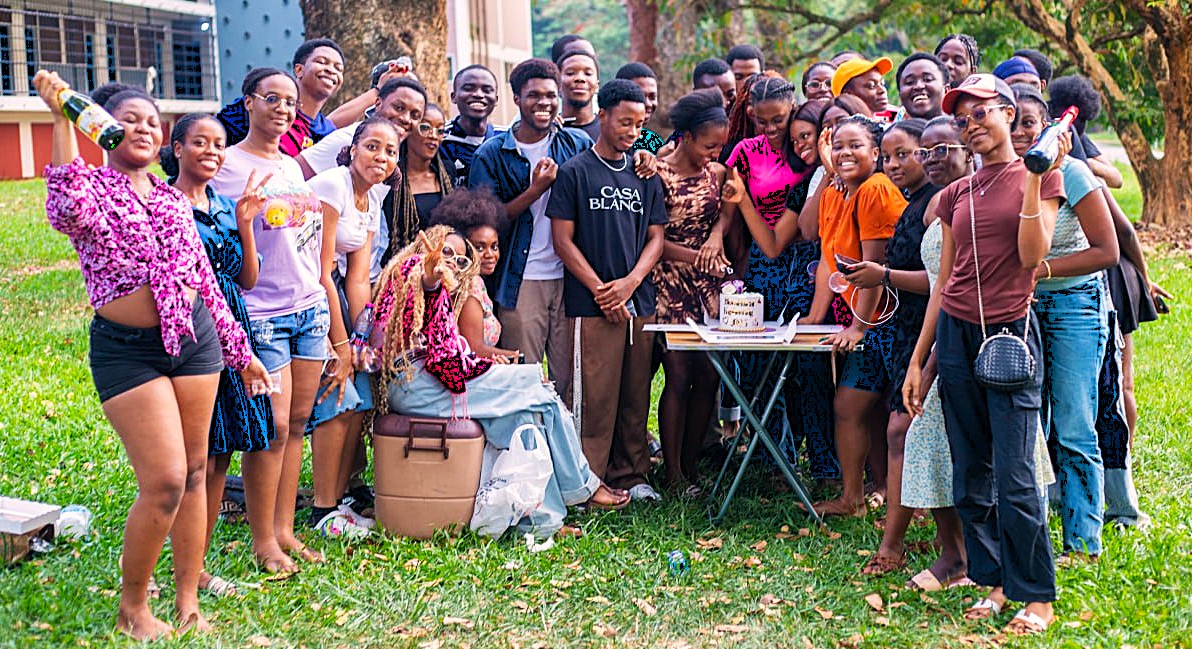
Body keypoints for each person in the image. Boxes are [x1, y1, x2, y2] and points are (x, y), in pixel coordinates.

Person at [37, 72, 271, 639]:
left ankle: (188, 595)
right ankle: (133, 605)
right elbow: (67, 208)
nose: (143, 128)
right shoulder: (93, 190)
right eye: (129, 120)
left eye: (151, 121)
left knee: (195, 471)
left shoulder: (169, 197)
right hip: (129, 352)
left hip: (196, 344)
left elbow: (205, 282)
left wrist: (241, 353)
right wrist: (62, 115)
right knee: (165, 479)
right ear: (105, 129)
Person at [904, 74, 1066, 636]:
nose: (972, 125)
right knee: (971, 468)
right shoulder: (955, 194)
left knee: (1017, 473)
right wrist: (920, 360)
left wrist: (1033, 178)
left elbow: (1030, 253)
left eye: (981, 114)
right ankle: (995, 581)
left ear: (1008, 112)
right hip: (956, 335)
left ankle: (1037, 595)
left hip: (1010, 335)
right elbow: (945, 279)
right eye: (964, 118)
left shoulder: (1042, 176)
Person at [376, 226, 631, 539]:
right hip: (415, 384)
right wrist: (430, 275)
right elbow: (424, 295)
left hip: (426, 382)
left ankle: (542, 522)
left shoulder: (442, 290)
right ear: (426, 248)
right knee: (539, 388)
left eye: (458, 258)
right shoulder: (411, 274)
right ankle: (583, 486)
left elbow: (450, 354)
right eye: (446, 252)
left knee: (524, 418)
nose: (452, 262)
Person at [210, 67, 328, 575]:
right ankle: (263, 541)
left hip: (309, 307)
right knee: (271, 428)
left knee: (297, 425)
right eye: (271, 99)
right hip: (261, 313)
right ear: (249, 102)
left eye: (289, 102)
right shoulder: (226, 165)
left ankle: (284, 531)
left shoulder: (292, 168)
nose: (282, 109)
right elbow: (212, 239)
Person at [160, 113, 276, 600]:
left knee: (222, 450)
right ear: (178, 147)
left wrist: (247, 224)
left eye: (219, 144)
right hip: (188, 329)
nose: (211, 151)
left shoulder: (228, 205)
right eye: (200, 142)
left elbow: (246, 280)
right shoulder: (160, 202)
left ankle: (199, 564)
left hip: (234, 327)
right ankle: (181, 566)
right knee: (195, 457)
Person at [1012, 84, 1120, 561]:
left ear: (1049, 125)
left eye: (1029, 123)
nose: (1019, 133)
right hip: (1021, 309)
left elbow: (1108, 251)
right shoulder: (1000, 176)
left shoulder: (1072, 172)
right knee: (1029, 427)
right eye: (1011, 122)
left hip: (1074, 304)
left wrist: (1043, 270)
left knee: (1074, 423)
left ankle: (1082, 544)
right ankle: (1031, 540)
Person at [549, 79, 667, 500]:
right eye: (624, 122)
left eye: (638, 125)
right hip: (590, 303)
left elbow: (656, 237)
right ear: (602, 116)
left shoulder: (645, 173)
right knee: (593, 398)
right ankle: (588, 479)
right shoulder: (575, 171)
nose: (632, 132)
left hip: (639, 301)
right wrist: (604, 291)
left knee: (635, 395)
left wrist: (631, 284)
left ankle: (632, 475)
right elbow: (563, 240)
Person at [727, 98, 839, 480]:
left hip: (816, 282)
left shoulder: (834, 177)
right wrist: (742, 201)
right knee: (761, 368)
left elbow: (810, 235)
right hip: (773, 276)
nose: (799, 146)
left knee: (813, 374)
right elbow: (774, 245)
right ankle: (774, 459)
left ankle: (825, 464)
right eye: (795, 141)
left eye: (805, 136)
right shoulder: (802, 182)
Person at [469, 58, 593, 405]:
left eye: (551, 95)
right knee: (523, 376)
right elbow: (487, 223)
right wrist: (534, 190)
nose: (544, 102)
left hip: (570, 276)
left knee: (570, 378)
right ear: (516, 98)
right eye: (533, 95)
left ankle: (565, 454)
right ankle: (526, 454)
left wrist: (646, 152)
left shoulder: (576, 143)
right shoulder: (491, 154)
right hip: (521, 280)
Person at [805, 116, 907, 516]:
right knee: (855, 407)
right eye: (838, 146)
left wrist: (859, 326)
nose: (845, 153)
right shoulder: (836, 190)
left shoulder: (876, 189)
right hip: (863, 320)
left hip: (887, 322)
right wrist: (813, 320)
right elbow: (824, 260)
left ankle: (885, 501)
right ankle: (858, 496)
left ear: (875, 153)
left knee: (879, 411)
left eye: (855, 146)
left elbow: (873, 269)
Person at [305, 118, 401, 538]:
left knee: (359, 398)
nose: (381, 158)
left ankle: (341, 497)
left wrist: (364, 341)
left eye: (391, 151)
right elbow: (323, 270)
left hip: (339, 297)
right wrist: (340, 345)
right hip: (304, 294)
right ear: (353, 149)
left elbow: (359, 277)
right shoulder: (331, 186)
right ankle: (322, 508)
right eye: (373, 147)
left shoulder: (372, 196)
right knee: (337, 397)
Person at [652, 89, 734, 493]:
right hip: (668, 281)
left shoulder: (716, 173)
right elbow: (648, 241)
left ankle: (692, 467)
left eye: (720, 145)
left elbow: (727, 208)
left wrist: (716, 237)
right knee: (679, 375)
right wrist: (694, 255)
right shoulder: (655, 174)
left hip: (708, 283)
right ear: (684, 137)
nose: (715, 153)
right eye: (708, 146)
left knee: (708, 376)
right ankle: (672, 474)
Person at [428, 188, 520, 360]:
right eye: (479, 247)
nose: (490, 254)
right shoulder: (471, 285)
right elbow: (474, 348)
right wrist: (516, 358)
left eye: (494, 246)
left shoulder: (476, 281)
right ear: (465, 248)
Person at [382, 103, 455, 260]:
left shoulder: (447, 173)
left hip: (442, 270)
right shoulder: (389, 176)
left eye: (440, 130)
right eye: (426, 128)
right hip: (400, 271)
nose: (434, 136)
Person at [440, 65, 503, 185]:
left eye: (487, 90)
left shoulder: (506, 139)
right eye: (469, 88)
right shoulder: (439, 140)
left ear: (496, 99)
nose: (478, 94)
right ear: (454, 97)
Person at [616, 62, 665, 153]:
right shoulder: (601, 137)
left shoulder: (652, 141)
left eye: (652, 97)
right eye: (640, 96)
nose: (648, 103)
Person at [832, 57, 896, 121]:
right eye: (872, 85)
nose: (882, 90)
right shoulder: (841, 128)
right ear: (848, 94)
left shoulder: (892, 120)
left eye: (882, 83)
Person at [558, 50, 601, 141]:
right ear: (558, 85)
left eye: (588, 73)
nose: (580, 78)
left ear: (597, 86)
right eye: (570, 73)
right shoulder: (547, 132)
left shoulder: (610, 129)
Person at [896, 53, 949, 120]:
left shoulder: (963, 128)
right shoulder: (891, 130)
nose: (919, 86)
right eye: (909, 82)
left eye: (927, 79)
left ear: (946, 90)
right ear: (900, 95)